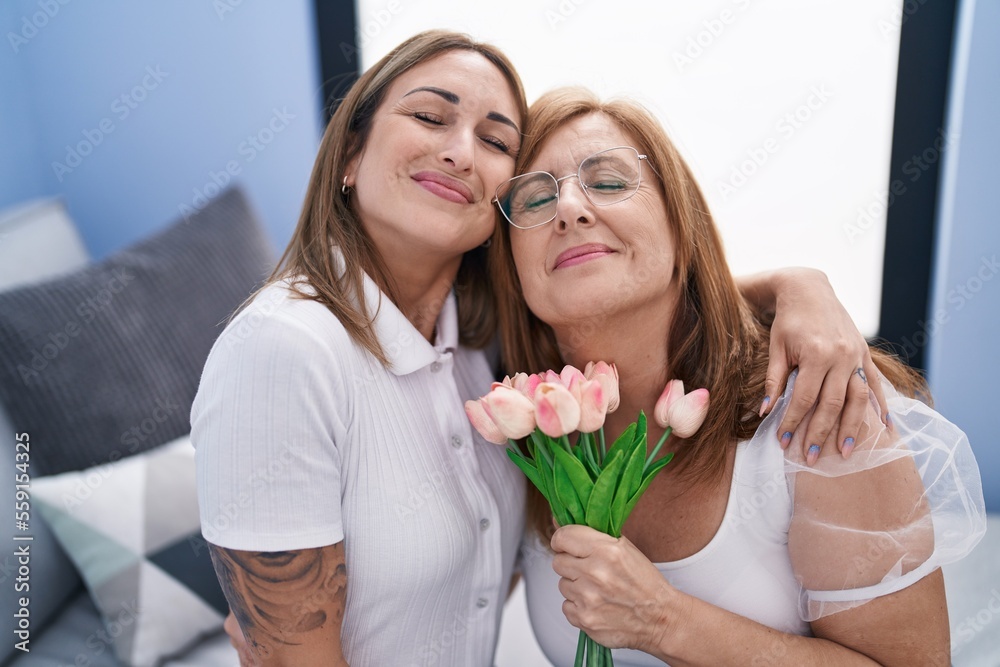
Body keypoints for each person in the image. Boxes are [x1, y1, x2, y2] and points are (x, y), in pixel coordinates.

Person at [194, 30, 896, 666]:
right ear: (349, 153)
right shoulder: (282, 348)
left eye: (498, 142)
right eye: (430, 117)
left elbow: (630, 278)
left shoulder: (483, 357)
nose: (461, 151)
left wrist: (799, 285)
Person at [490, 87, 986, 665]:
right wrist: (791, 283)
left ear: (681, 228)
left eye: (608, 182)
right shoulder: (518, 427)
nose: (571, 209)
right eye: (533, 200)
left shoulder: (815, 409)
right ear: (512, 266)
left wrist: (662, 620)